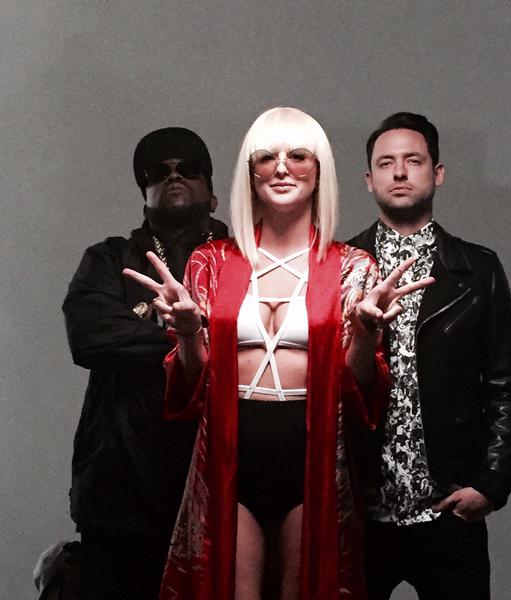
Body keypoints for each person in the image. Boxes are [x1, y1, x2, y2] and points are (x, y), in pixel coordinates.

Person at [123, 107, 434, 600]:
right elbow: (190, 388)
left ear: (319, 170)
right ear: (251, 173)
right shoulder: (212, 261)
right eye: (267, 156)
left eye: (298, 155)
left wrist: (366, 335)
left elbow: (361, 395)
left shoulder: (352, 266)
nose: (282, 167)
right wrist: (187, 333)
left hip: (312, 454)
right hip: (230, 451)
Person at [347, 112, 511, 600]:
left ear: (437, 173)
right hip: (361, 511)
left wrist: (492, 482)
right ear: (369, 179)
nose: (399, 172)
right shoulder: (342, 266)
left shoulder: (477, 269)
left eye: (413, 160)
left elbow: (505, 385)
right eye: (386, 163)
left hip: (448, 510)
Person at [62, 127, 228, 600]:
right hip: (121, 490)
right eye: (158, 172)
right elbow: (90, 337)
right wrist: (193, 334)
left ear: (212, 191)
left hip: (220, 479)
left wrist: (159, 335)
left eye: (188, 168)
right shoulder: (109, 259)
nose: (174, 177)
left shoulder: (244, 260)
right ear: (144, 191)